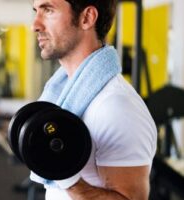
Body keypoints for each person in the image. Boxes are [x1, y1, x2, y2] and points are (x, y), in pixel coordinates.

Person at [31, 0, 157, 199]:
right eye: (36, 11)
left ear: (87, 18)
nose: (35, 25)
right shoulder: (61, 93)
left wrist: (68, 179)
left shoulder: (116, 106)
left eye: (48, 10)